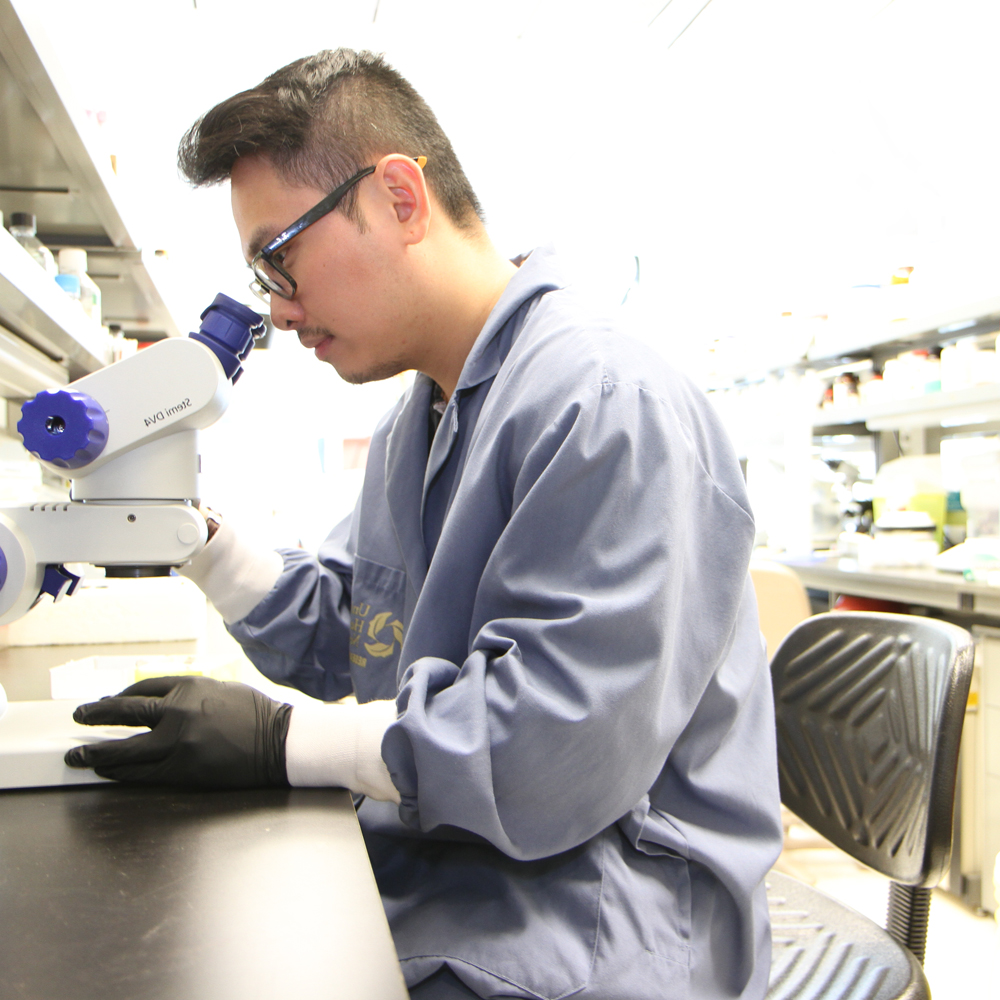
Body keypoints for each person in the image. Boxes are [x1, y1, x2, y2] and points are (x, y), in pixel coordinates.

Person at [66, 49, 782, 1000]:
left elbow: (545, 753)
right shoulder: (423, 418)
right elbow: (370, 634)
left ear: (401, 197)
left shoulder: (604, 400)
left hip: (603, 917)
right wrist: (199, 543)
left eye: (281, 255)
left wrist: (282, 741)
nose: (276, 310)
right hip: (471, 872)